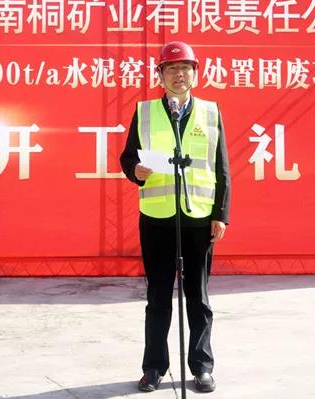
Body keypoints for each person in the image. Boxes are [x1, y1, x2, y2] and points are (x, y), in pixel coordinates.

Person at [120, 41, 231, 393]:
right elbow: (128, 157)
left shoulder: (211, 112)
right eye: (171, 69)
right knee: (157, 298)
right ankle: (154, 367)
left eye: (185, 68)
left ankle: (202, 367)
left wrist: (221, 214)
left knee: (198, 297)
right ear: (160, 75)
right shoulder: (146, 112)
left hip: (199, 218)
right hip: (158, 219)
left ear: (195, 74)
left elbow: (221, 168)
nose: (179, 74)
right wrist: (135, 171)